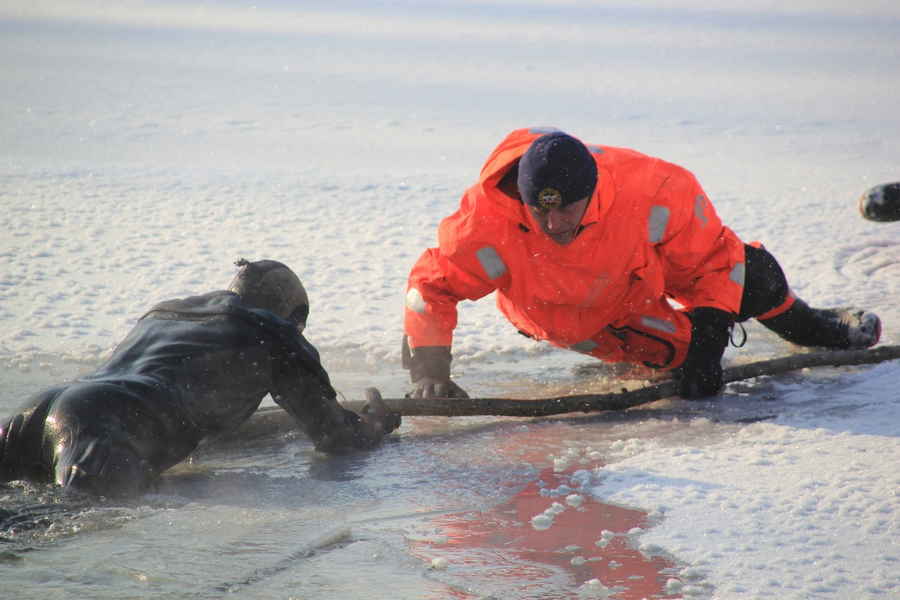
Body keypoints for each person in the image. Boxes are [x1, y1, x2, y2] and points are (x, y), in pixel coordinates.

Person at [402, 127, 882, 399]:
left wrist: (711, 340)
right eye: (539, 210)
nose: (552, 224)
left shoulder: (652, 190)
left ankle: (805, 323)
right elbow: (432, 287)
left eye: (565, 208)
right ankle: (648, 349)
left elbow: (714, 262)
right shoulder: (488, 219)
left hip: (633, 262)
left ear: (591, 191)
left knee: (746, 270)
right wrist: (430, 371)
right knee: (676, 357)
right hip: (562, 307)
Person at [0, 259, 400, 497]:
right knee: (65, 526)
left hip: (43, 407)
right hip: (100, 430)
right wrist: (374, 425)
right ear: (291, 318)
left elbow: (175, 387)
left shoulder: (166, 312)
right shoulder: (273, 334)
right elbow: (334, 438)